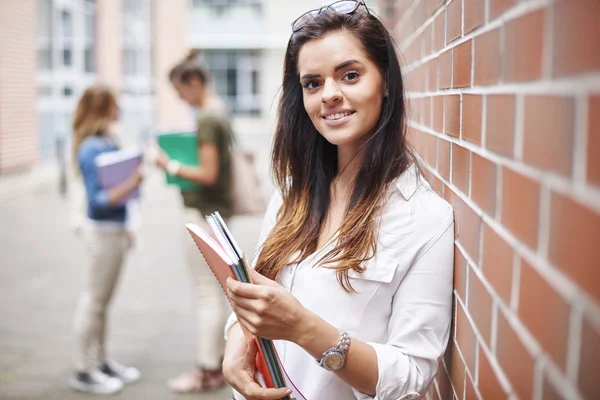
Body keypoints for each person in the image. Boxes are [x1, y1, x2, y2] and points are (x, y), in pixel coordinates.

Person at [222, 2, 455, 399]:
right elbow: (258, 295)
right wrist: (234, 346)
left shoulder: (424, 217)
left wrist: (304, 328)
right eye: (312, 83)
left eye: (349, 75)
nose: (329, 95)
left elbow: (412, 376)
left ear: (385, 82)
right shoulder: (292, 193)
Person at [155, 50, 234, 393]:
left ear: (194, 82)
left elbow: (208, 173)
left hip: (202, 214)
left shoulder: (207, 118)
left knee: (207, 294)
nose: (178, 97)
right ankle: (215, 364)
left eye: (179, 89)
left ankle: (207, 371)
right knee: (214, 292)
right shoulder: (217, 111)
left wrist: (168, 165)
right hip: (215, 213)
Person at [70, 85, 143, 395]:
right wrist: (132, 182)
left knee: (102, 303)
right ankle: (83, 369)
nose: (119, 110)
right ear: (102, 108)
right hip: (102, 232)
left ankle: (100, 361)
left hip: (113, 230)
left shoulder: (105, 142)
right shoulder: (91, 148)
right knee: (94, 301)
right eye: (114, 105)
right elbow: (97, 201)